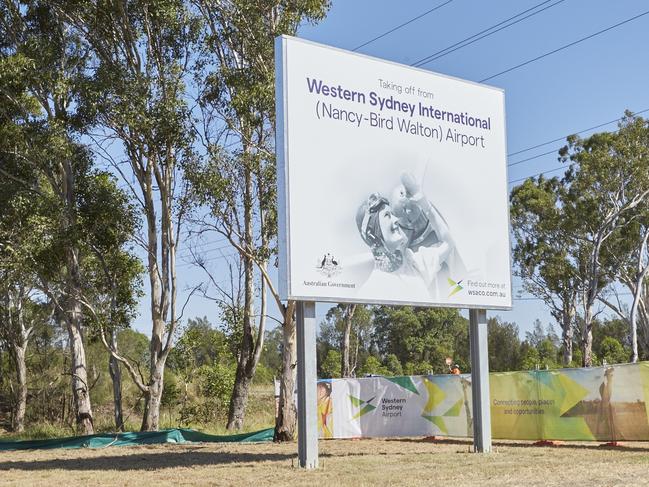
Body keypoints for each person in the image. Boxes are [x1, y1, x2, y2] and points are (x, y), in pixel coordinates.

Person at [355, 173, 462, 299]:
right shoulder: (369, 291)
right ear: (371, 235)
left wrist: (423, 202)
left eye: (393, 214)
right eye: (387, 216)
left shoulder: (413, 264)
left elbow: (448, 243)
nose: (396, 220)